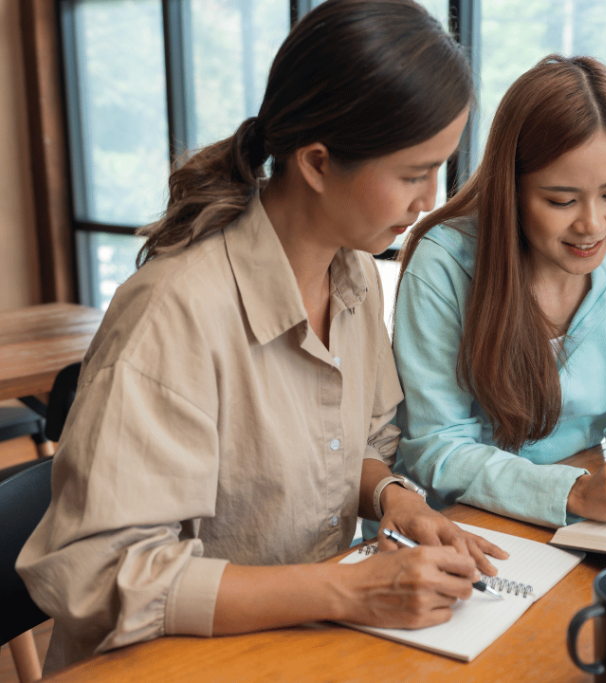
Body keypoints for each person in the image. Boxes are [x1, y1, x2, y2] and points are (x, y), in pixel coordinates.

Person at [17, 0, 506, 671]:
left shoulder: (354, 275)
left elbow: (355, 442)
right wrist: (344, 588)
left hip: (300, 647)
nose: (430, 199)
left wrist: (396, 499)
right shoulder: (174, 312)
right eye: (413, 173)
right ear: (316, 162)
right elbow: (101, 573)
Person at [391, 55, 606, 530]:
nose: (593, 225)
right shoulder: (443, 265)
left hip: (579, 509)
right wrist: (570, 492)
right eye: (562, 200)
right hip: (456, 523)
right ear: (509, 189)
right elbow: (440, 447)